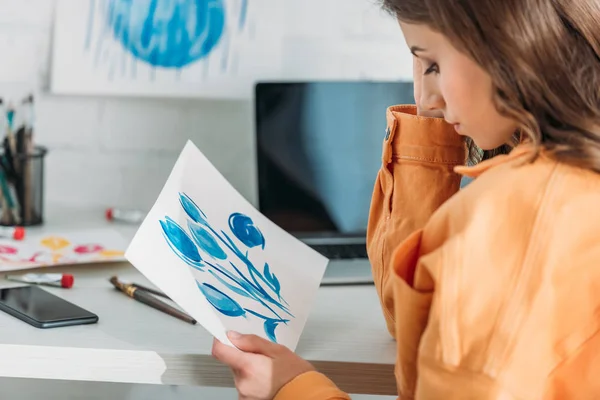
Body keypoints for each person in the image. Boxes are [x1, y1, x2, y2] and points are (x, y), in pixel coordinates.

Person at [211, 0, 600, 398]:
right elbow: (410, 319)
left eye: (432, 65)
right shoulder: (573, 174)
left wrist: (292, 388)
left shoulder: (500, 224)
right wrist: (434, 122)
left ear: (510, 46)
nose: (425, 100)